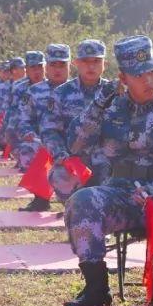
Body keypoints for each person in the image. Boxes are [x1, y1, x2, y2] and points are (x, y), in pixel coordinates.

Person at [62, 35, 153, 306]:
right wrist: (97, 105)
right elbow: (76, 144)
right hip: (121, 194)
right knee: (80, 202)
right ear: (123, 78)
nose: (150, 80)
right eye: (140, 75)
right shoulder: (108, 107)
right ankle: (96, 288)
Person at [40, 39, 110, 207]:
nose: (91, 67)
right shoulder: (61, 94)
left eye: (96, 61)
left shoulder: (115, 92)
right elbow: (49, 130)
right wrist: (61, 155)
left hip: (108, 160)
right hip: (73, 160)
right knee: (59, 176)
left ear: (104, 64)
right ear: (77, 63)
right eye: (86, 61)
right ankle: (75, 208)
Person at [14, 43, 73, 211]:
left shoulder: (78, 89)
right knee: (29, 149)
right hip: (44, 142)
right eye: (53, 65)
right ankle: (41, 198)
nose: (57, 69)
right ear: (46, 67)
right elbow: (24, 118)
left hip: (76, 143)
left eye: (62, 65)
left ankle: (77, 203)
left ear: (70, 66)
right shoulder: (34, 92)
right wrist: (29, 133)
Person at [3, 53, 43, 160]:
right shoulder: (19, 89)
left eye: (40, 67)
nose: (37, 71)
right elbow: (13, 116)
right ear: (27, 69)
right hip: (28, 130)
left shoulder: (56, 87)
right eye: (33, 67)